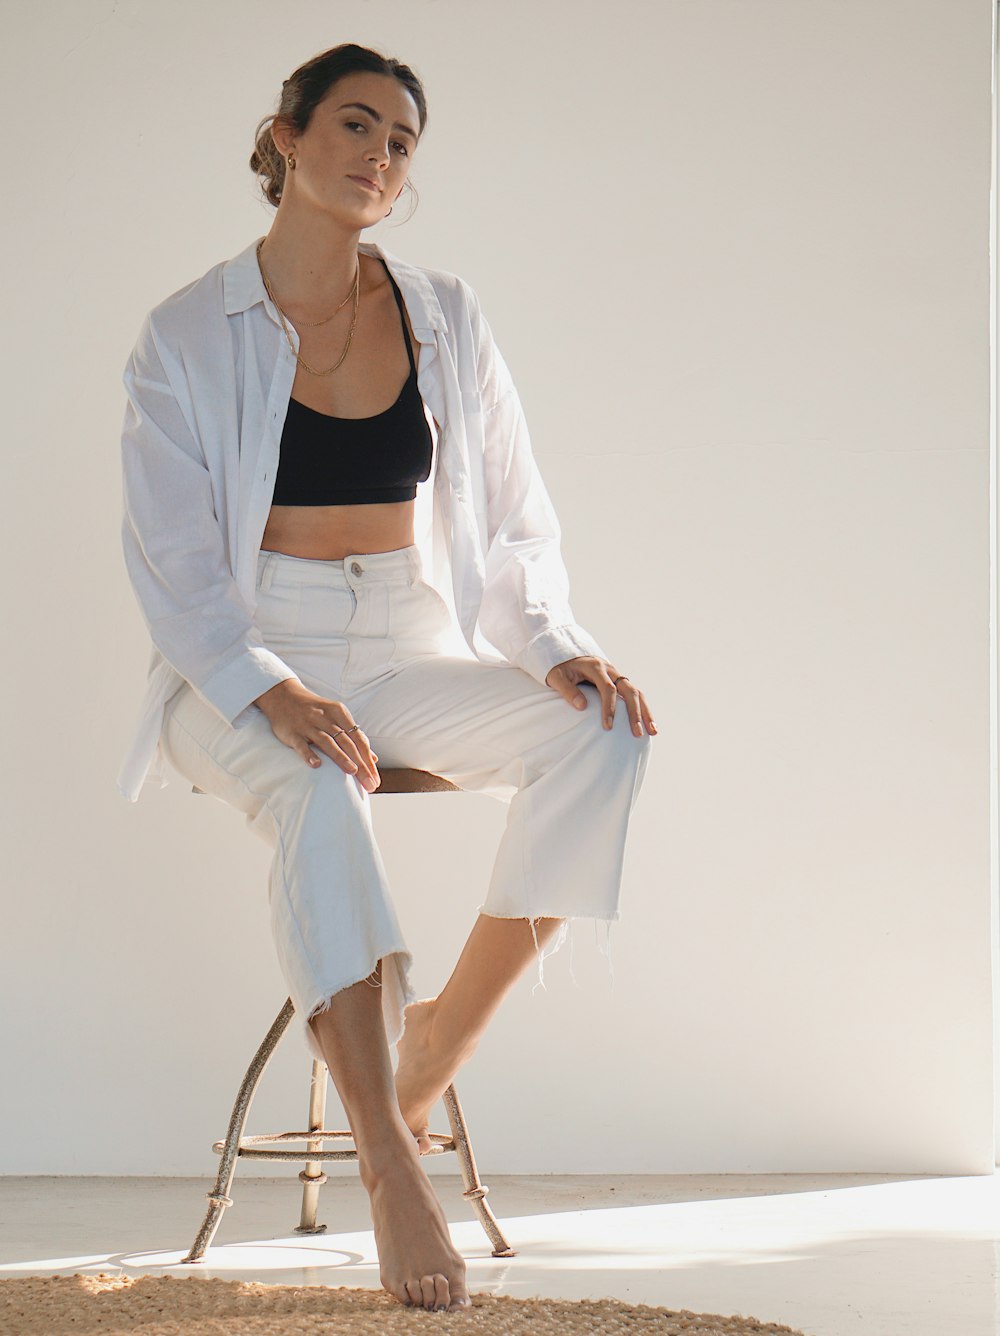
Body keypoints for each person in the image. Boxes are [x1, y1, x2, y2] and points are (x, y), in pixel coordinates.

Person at [115, 41, 655, 1314]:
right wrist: (264, 684)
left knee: (606, 735)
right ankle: (386, 1164)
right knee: (319, 790)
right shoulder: (186, 334)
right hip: (240, 654)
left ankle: (430, 1053)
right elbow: (174, 565)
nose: (378, 156)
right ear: (286, 138)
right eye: (354, 126)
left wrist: (554, 642)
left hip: (406, 636)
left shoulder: (444, 313)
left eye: (401, 143)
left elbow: (514, 519)